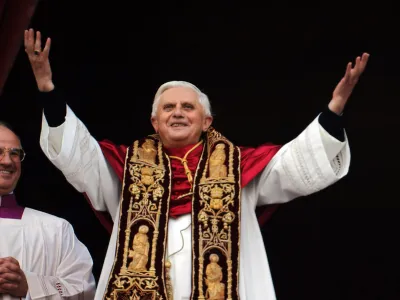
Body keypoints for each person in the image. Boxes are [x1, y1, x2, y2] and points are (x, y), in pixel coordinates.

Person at [24, 27, 369, 300]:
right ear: (154, 122)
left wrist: (334, 110)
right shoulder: (126, 167)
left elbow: (294, 165)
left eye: (188, 107)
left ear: (207, 121)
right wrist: (48, 90)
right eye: (168, 108)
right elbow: (78, 154)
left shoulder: (238, 168)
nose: (177, 113)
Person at [0, 121, 96, 299]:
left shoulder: (56, 229)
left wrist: (29, 286)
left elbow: (84, 291)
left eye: (15, 153)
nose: (7, 161)